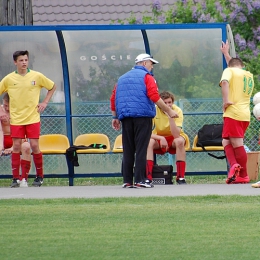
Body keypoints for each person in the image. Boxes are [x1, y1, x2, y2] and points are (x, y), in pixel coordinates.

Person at [110, 53, 178, 188]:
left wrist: (115, 117)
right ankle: (141, 180)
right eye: (151, 63)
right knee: (142, 148)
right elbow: (153, 95)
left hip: (126, 117)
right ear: (144, 63)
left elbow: (113, 98)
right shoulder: (147, 77)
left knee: (128, 149)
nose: (152, 67)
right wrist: (168, 110)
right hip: (143, 116)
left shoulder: (121, 79)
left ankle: (127, 180)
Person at [0, 50, 56, 188]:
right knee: (17, 146)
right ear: (15, 62)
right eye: (21, 60)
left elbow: (52, 86)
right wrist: (2, 110)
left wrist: (45, 102)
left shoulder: (37, 76)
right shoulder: (8, 79)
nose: (24, 62)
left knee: (35, 145)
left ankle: (39, 176)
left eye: (26, 60)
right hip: (17, 119)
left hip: (32, 117)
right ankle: (16, 178)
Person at [219, 57, 254, 184]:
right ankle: (235, 166)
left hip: (233, 112)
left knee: (237, 144)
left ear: (230, 65)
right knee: (226, 141)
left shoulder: (229, 70)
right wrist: (227, 54)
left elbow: (225, 82)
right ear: (242, 65)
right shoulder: (248, 74)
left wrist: (226, 100)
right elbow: (235, 64)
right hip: (245, 114)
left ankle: (243, 175)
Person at [146, 91, 187, 185]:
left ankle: (180, 177)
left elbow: (176, 135)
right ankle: (148, 177)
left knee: (179, 141)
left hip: (174, 137)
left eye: (169, 102)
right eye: (164, 103)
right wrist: (160, 138)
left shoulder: (178, 110)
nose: (168, 105)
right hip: (159, 137)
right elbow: (146, 132)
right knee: (149, 142)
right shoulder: (153, 110)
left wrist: (170, 117)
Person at [0, 93, 32, 187]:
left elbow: (23, 133)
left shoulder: (20, 111)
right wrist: (1, 146)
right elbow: (0, 130)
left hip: (18, 138)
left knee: (26, 147)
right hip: (3, 138)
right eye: (5, 105)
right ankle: (15, 178)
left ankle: (23, 179)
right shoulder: (1, 110)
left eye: (9, 106)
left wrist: (13, 147)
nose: (7, 109)